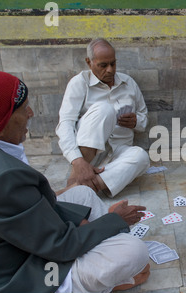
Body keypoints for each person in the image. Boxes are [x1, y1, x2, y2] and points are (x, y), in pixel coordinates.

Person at [0, 69, 150, 293]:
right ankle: (96, 279)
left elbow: (38, 209)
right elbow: (61, 246)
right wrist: (113, 220)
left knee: (85, 193)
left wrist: (136, 121)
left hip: (116, 154)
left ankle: (93, 191)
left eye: (113, 63)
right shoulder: (4, 177)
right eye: (22, 109)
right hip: (20, 272)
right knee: (134, 251)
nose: (30, 113)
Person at [56, 38, 150, 198]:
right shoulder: (79, 83)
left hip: (120, 152)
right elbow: (65, 124)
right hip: (90, 155)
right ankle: (77, 174)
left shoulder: (129, 83)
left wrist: (136, 122)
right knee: (105, 109)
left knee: (141, 157)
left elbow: (144, 119)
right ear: (89, 62)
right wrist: (77, 160)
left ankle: (78, 188)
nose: (110, 70)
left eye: (113, 64)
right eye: (103, 65)